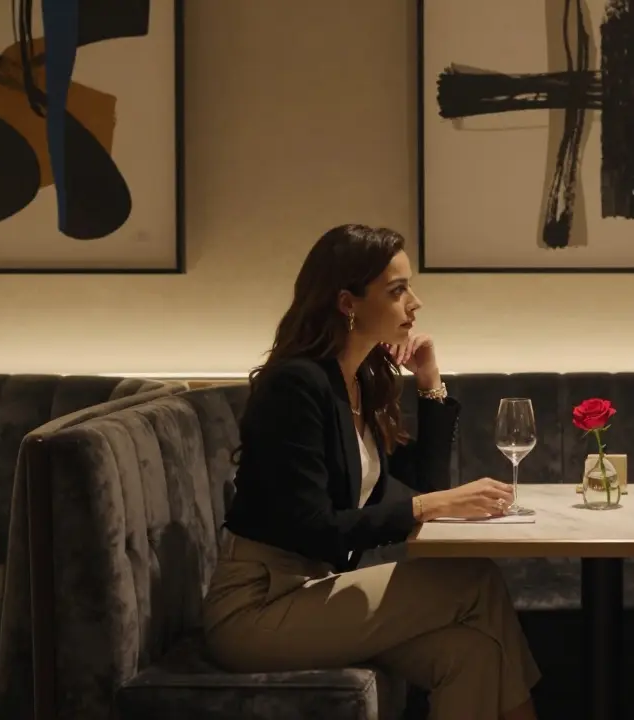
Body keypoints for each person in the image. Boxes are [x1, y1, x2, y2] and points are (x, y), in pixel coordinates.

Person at [202, 224, 541, 720]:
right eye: (398, 290)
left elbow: (422, 484)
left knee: (473, 655)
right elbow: (313, 529)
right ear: (347, 303)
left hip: (316, 591)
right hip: (259, 605)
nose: (415, 303)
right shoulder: (296, 386)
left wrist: (429, 382)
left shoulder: (356, 382)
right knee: (476, 580)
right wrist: (427, 508)